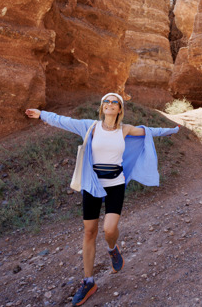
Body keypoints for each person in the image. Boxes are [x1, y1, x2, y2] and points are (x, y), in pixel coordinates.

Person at [25, 92, 179, 306]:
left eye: (114, 102)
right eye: (106, 101)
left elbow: (149, 131)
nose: (109, 104)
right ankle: (88, 282)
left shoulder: (125, 130)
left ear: (119, 109)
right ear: (102, 107)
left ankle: (112, 249)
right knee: (89, 232)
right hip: (92, 184)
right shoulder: (90, 126)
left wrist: (172, 129)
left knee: (108, 230)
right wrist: (41, 114)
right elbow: (63, 121)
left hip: (115, 184)